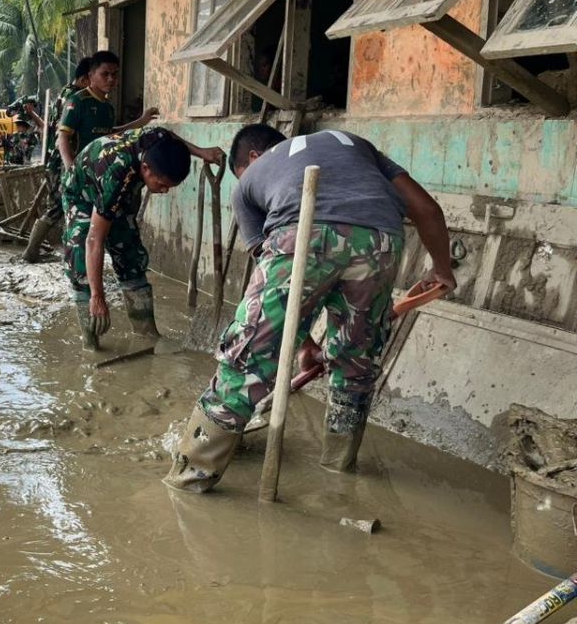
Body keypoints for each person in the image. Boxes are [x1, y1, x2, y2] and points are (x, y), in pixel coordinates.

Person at [165, 125, 456, 492]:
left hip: (299, 233)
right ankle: (338, 474)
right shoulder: (355, 145)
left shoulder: (246, 183)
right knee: (356, 366)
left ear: (252, 158)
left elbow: (281, 299)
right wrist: (442, 269)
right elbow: (428, 210)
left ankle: (190, 478)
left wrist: (298, 342)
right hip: (381, 239)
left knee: (247, 359)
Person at [62, 127, 225, 349]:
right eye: (162, 185)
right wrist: (98, 296)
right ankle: (90, 345)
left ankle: (146, 335)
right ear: (146, 168)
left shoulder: (157, 138)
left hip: (121, 185)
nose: (165, 191)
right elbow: (94, 240)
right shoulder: (115, 176)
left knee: (130, 256)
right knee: (81, 261)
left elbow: (172, 138)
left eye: (170, 187)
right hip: (81, 192)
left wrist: (201, 152)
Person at [22, 57, 91, 263]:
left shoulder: (64, 93)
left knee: (58, 206)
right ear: (86, 78)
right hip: (60, 162)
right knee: (58, 207)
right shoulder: (75, 98)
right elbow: (65, 135)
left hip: (55, 160)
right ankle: (32, 251)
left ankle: (38, 251)